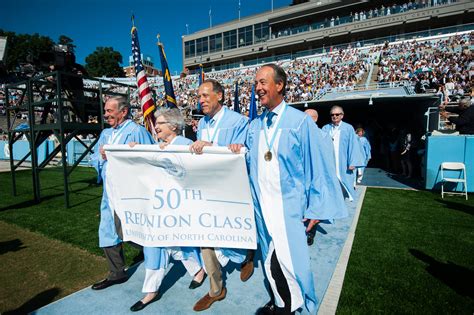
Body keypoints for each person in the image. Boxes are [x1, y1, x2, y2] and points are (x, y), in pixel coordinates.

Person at [232, 64, 347, 314]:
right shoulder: (255, 125)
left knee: (294, 262)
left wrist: (316, 207)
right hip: (262, 206)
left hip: (289, 208)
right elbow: (249, 160)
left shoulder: (299, 122)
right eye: (256, 84)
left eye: (263, 82)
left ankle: (301, 306)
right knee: (271, 259)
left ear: (279, 85)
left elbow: (317, 165)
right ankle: (282, 302)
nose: (258, 88)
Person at [128, 108, 206, 312]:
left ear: (173, 126)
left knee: (180, 240)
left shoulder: (186, 145)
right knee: (154, 244)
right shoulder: (156, 146)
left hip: (179, 207)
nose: (156, 127)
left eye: (160, 124)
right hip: (159, 207)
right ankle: (151, 290)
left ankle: (197, 270)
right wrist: (136, 150)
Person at [189, 79, 250, 312]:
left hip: (233, 190)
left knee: (237, 231)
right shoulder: (202, 123)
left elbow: (244, 150)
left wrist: (212, 144)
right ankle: (216, 289)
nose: (201, 100)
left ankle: (248, 256)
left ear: (220, 96)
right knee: (205, 235)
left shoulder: (239, 121)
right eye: (199, 97)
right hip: (209, 189)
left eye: (205, 96)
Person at [90, 96, 154, 290]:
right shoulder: (106, 133)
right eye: (106, 110)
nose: (106, 114)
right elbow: (94, 155)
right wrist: (101, 157)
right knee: (108, 229)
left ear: (123, 111)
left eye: (110, 111)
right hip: (109, 192)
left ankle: (154, 252)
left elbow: (149, 157)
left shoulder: (137, 131)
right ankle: (117, 272)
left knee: (132, 228)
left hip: (131, 193)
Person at [322, 106, 364, 200]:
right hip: (330, 161)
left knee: (344, 181)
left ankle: (344, 199)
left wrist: (353, 162)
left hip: (343, 161)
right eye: (332, 114)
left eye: (337, 114)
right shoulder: (325, 128)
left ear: (342, 115)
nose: (334, 116)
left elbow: (353, 146)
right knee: (331, 182)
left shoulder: (348, 128)